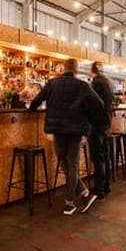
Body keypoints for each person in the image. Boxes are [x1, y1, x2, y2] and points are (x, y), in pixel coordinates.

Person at [29, 58, 104, 215]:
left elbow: (36, 101)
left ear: (63, 68)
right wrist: (86, 116)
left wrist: (32, 109)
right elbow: (99, 104)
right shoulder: (83, 85)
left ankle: (73, 200)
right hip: (75, 130)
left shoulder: (52, 83)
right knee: (72, 165)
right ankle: (81, 195)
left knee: (64, 162)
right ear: (76, 70)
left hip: (58, 129)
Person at [88, 61, 114, 203]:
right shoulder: (108, 82)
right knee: (104, 155)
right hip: (105, 121)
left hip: (97, 122)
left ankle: (99, 190)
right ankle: (106, 186)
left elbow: (93, 103)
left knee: (98, 156)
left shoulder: (97, 82)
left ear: (92, 70)